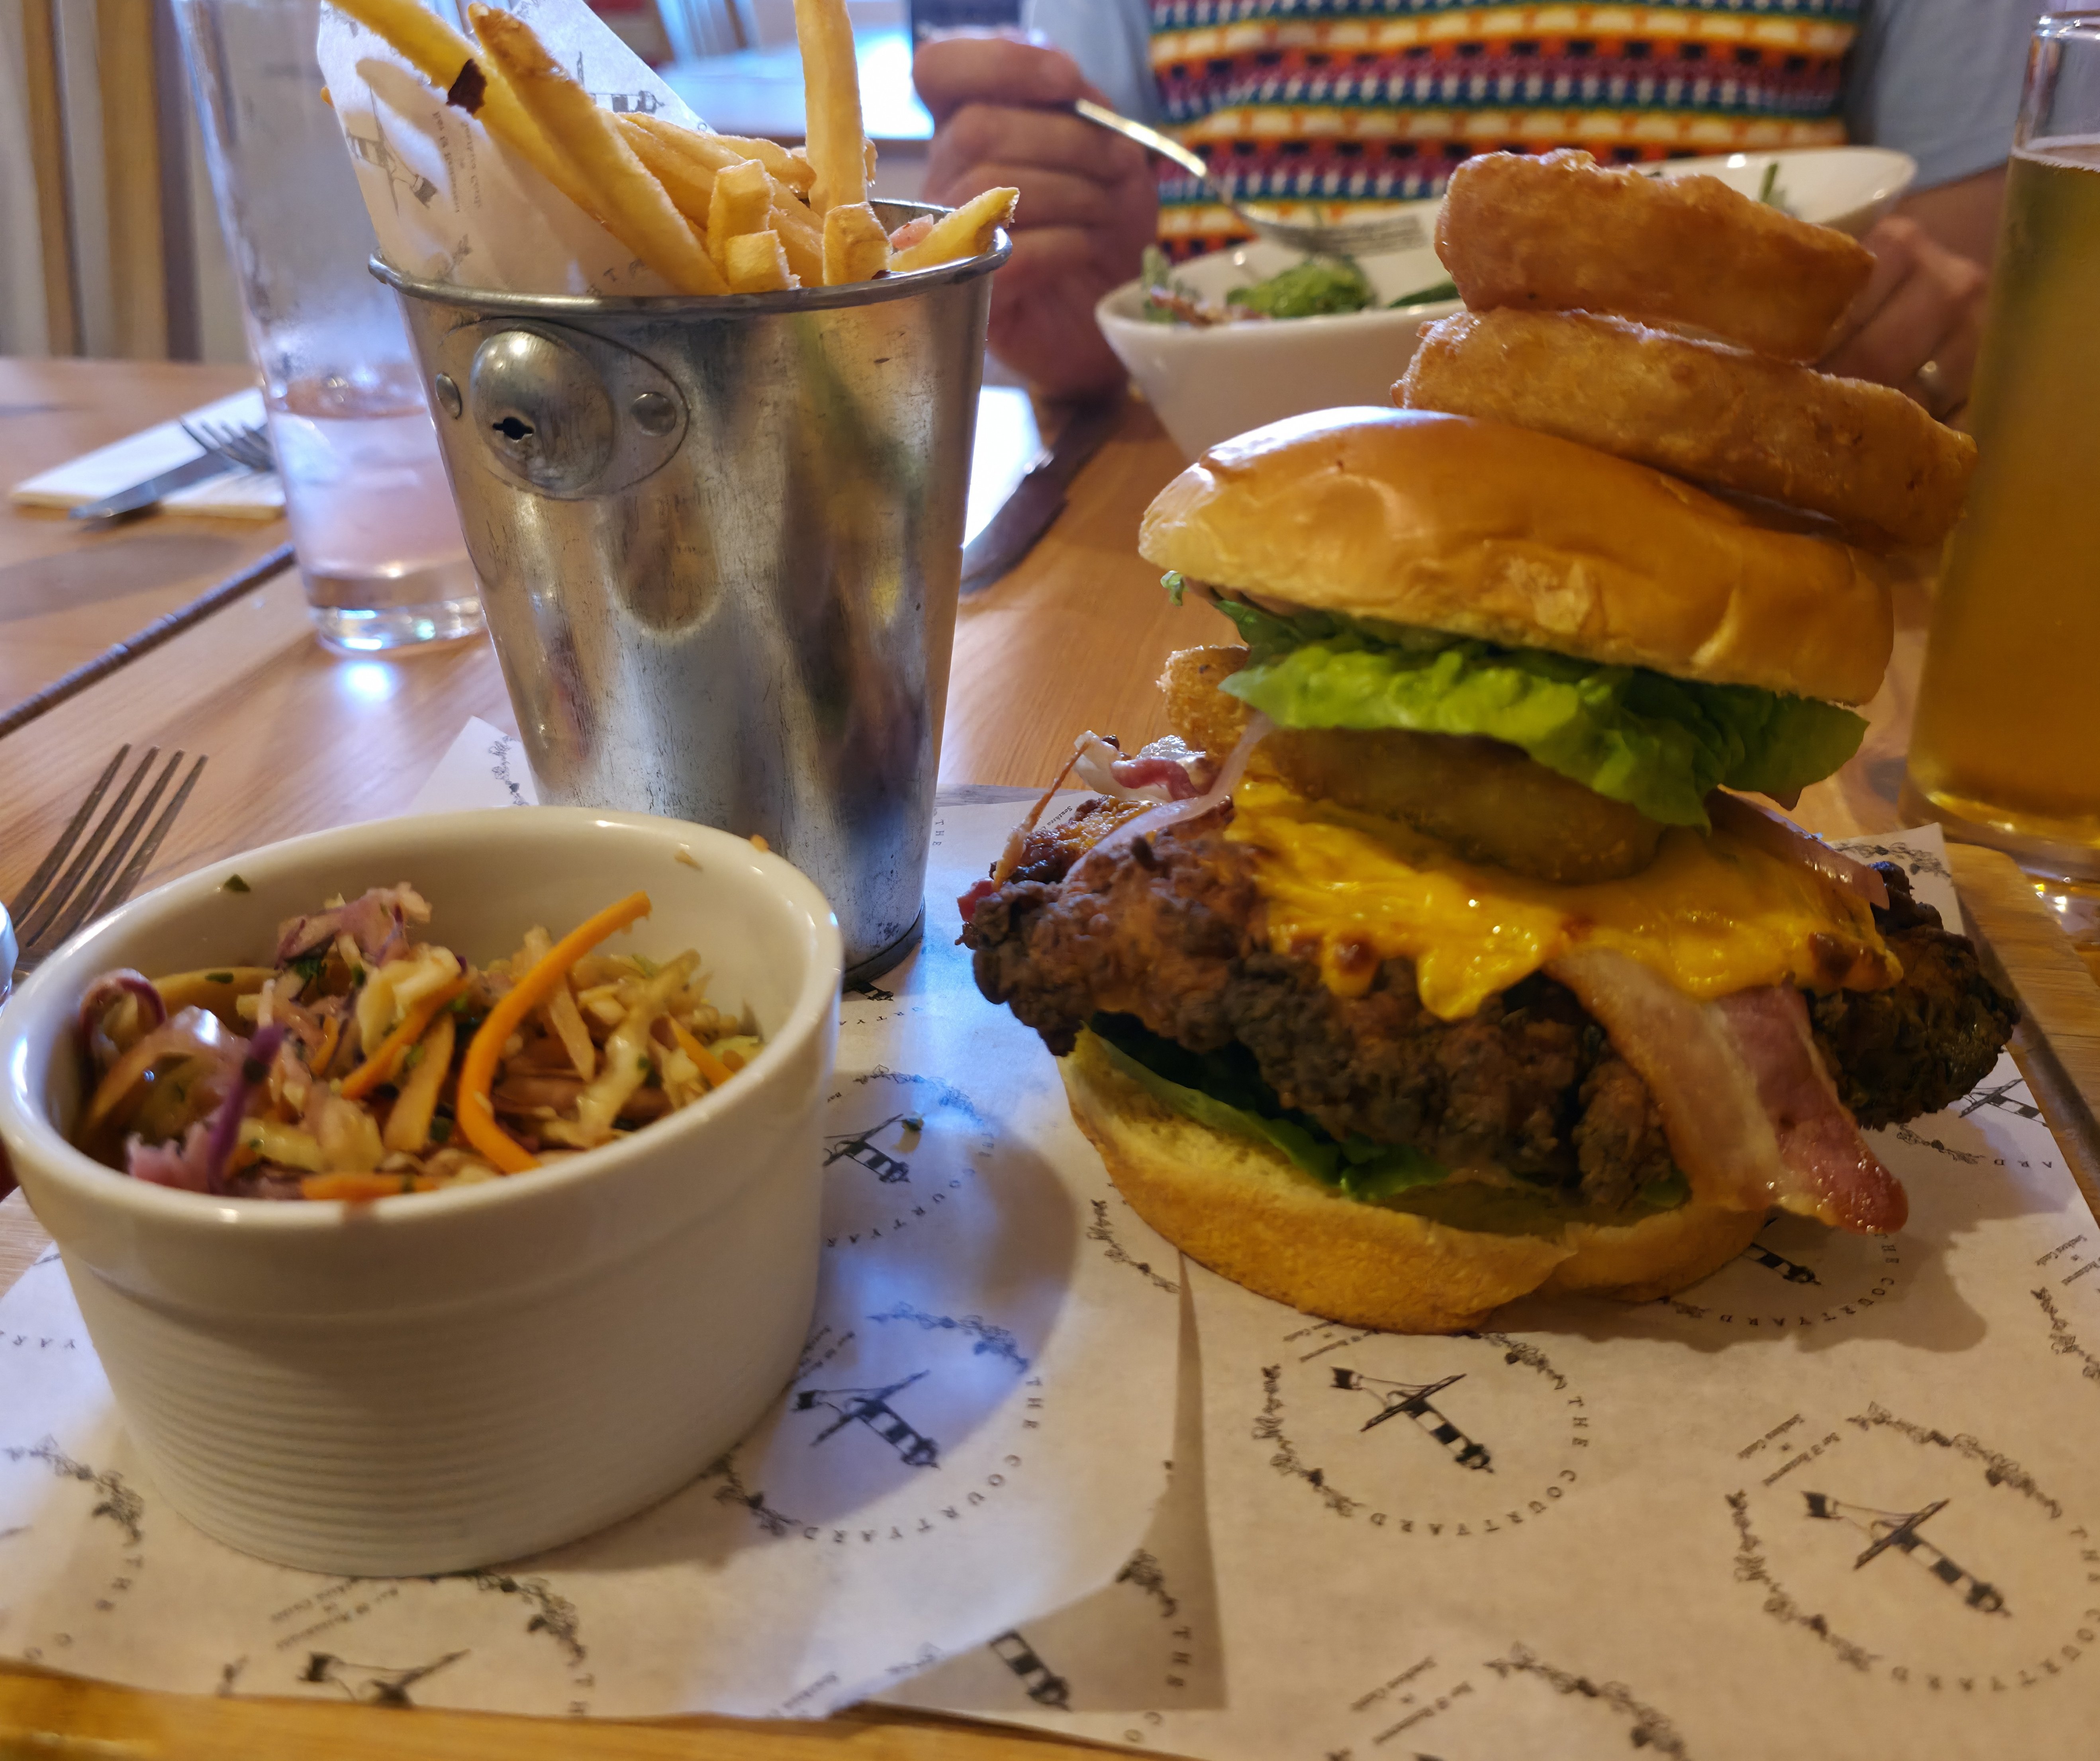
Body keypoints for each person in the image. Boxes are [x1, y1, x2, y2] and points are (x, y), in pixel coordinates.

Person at [915, 0, 2044, 411]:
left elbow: (1966, 297)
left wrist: (1934, 353)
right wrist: (1071, 340)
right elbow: (1081, 301)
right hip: (1210, 540)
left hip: (1761, 558)